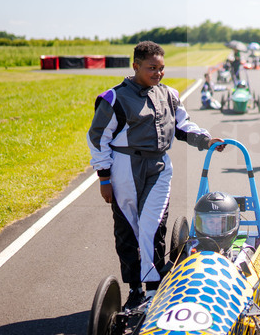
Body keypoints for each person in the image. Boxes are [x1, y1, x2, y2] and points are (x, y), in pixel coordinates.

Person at [87, 41, 225, 308]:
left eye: (161, 69)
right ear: (135, 66)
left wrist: (206, 140)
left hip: (159, 167)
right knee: (127, 230)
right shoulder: (113, 98)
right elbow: (97, 138)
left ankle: (153, 291)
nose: (158, 74)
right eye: (152, 68)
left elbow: (182, 126)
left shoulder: (170, 94)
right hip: (124, 167)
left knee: (153, 229)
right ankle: (136, 290)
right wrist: (104, 178)